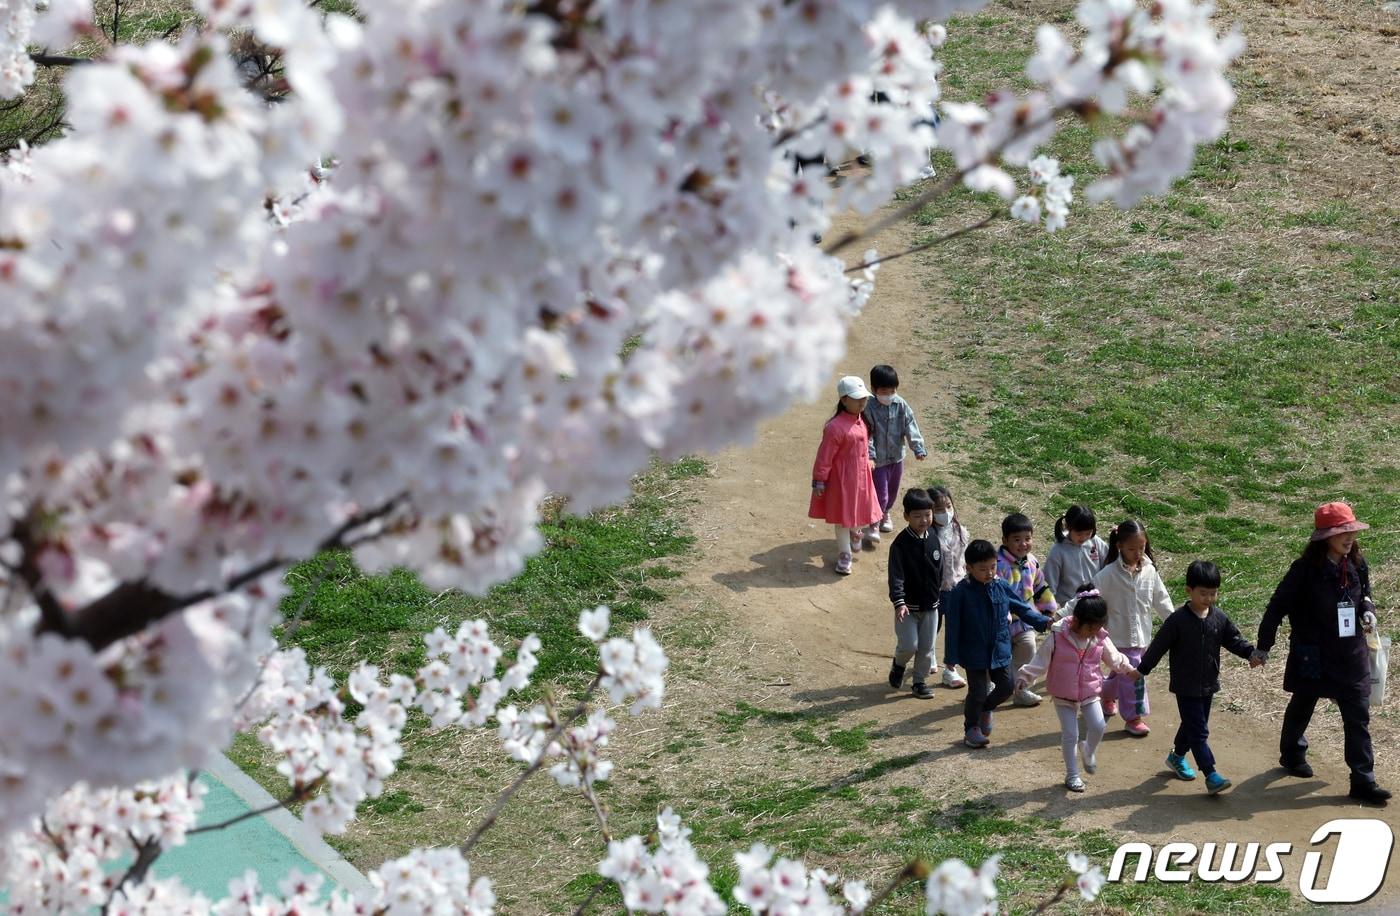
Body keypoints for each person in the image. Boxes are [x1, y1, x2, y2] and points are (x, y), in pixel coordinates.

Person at [1256, 502, 1390, 805]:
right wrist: (1264, 647)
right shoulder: (1304, 571)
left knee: (1358, 716)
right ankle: (1292, 753)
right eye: (1342, 532)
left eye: (1351, 531)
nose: (1349, 537)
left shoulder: (1357, 562)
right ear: (1324, 537)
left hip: (1351, 654)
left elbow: (1365, 593)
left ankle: (1363, 781)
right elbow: (1277, 607)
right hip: (1313, 653)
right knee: (1304, 702)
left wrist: (1367, 610)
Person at [1136, 561, 1261, 795]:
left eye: (1213, 593)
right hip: (1185, 685)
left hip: (1208, 683)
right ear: (1189, 591)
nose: (1208, 598)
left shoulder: (1219, 618)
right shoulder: (1177, 621)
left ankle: (1176, 757)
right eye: (1203, 593)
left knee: (1193, 725)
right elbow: (1158, 647)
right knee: (1199, 731)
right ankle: (1211, 774)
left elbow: (1233, 640)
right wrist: (1142, 669)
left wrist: (1249, 653)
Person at [1017, 588, 1141, 792]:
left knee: (1099, 725)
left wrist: (1128, 669)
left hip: (1090, 692)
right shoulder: (1057, 638)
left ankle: (1088, 750)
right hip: (1063, 695)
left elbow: (1115, 659)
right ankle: (1072, 775)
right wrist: (1025, 677)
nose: (1093, 632)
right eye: (1090, 628)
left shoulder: (1100, 638)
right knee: (1070, 734)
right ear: (1076, 621)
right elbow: (1040, 661)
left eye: (1097, 628)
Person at [944, 539, 1053, 748]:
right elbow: (953, 626)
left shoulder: (1001, 586)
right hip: (973, 652)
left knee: (1007, 686)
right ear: (969, 568)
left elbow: (1023, 608)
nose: (989, 573)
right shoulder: (961, 592)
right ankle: (971, 728)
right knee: (977, 691)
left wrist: (1045, 621)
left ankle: (986, 709)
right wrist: (951, 658)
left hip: (1000, 649)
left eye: (993, 567)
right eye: (983, 569)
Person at [1090, 519, 1174, 736]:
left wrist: (1175, 623)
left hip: (1142, 638)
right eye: (1132, 549)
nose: (1138, 553)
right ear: (1119, 546)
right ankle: (1133, 717)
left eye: (1142, 548)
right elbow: (1088, 598)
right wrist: (1066, 617)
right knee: (1134, 676)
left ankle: (1104, 693)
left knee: (1122, 675)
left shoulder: (1150, 571)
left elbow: (1161, 599)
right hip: (1118, 638)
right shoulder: (1107, 575)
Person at [809, 376, 883, 576]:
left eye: (864, 398)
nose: (862, 402)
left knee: (861, 512)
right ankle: (845, 554)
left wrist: (869, 459)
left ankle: (856, 532)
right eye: (857, 398)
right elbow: (824, 456)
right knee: (842, 519)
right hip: (842, 481)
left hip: (862, 478)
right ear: (843, 400)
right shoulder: (834, 427)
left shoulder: (862, 421)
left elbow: (865, 444)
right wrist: (819, 480)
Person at [996, 513, 1059, 707]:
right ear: (1005, 540)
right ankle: (995, 686)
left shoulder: (1031, 561)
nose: (1023, 544)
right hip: (1002, 624)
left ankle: (1020, 689)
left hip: (1026, 622)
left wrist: (1048, 608)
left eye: (1027, 539)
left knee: (1029, 649)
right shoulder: (998, 565)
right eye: (1017, 540)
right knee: (1000, 658)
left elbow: (1040, 585)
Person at [887, 489, 944, 699]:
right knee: (909, 645)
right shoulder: (900, 545)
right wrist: (899, 602)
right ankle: (899, 664)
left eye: (927, 515)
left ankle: (919, 682)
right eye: (917, 516)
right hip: (907, 608)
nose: (924, 520)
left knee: (927, 647)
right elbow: (896, 576)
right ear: (906, 516)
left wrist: (940, 591)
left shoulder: (934, 538)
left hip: (931, 605)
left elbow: (940, 568)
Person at [862, 364, 927, 542]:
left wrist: (918, 447)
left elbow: (910, 426)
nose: (889, 394)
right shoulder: (868, 408)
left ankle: (885, 514)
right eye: (884, 390)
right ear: (874, 389)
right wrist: (871, 456)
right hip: (879, 461)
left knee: (892, 492)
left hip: (897, 457)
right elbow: (868, 435)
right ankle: (873, 523)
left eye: (892, 390)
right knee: (880, 493)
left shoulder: (901, 404)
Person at [929, 486, 969, 689]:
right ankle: (928, 653)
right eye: (938, 509)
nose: (945, 512)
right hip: (933, 592)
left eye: (948, 506)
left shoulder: (961, 532)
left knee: (954, 630)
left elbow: (964, 561)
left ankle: (950, 669)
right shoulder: (927, 536)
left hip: (957, 590)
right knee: (932, 626)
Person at [1043, 505, 1109, 605]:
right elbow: (1049, 582)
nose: (1083, 537)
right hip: (1071, 605)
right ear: (1068, 527)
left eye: (1088, 533)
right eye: (1079, 534)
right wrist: (1048, 607)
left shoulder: (1095, 542)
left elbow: (1109, 564)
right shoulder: (1058, 550)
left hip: (1096, 601)